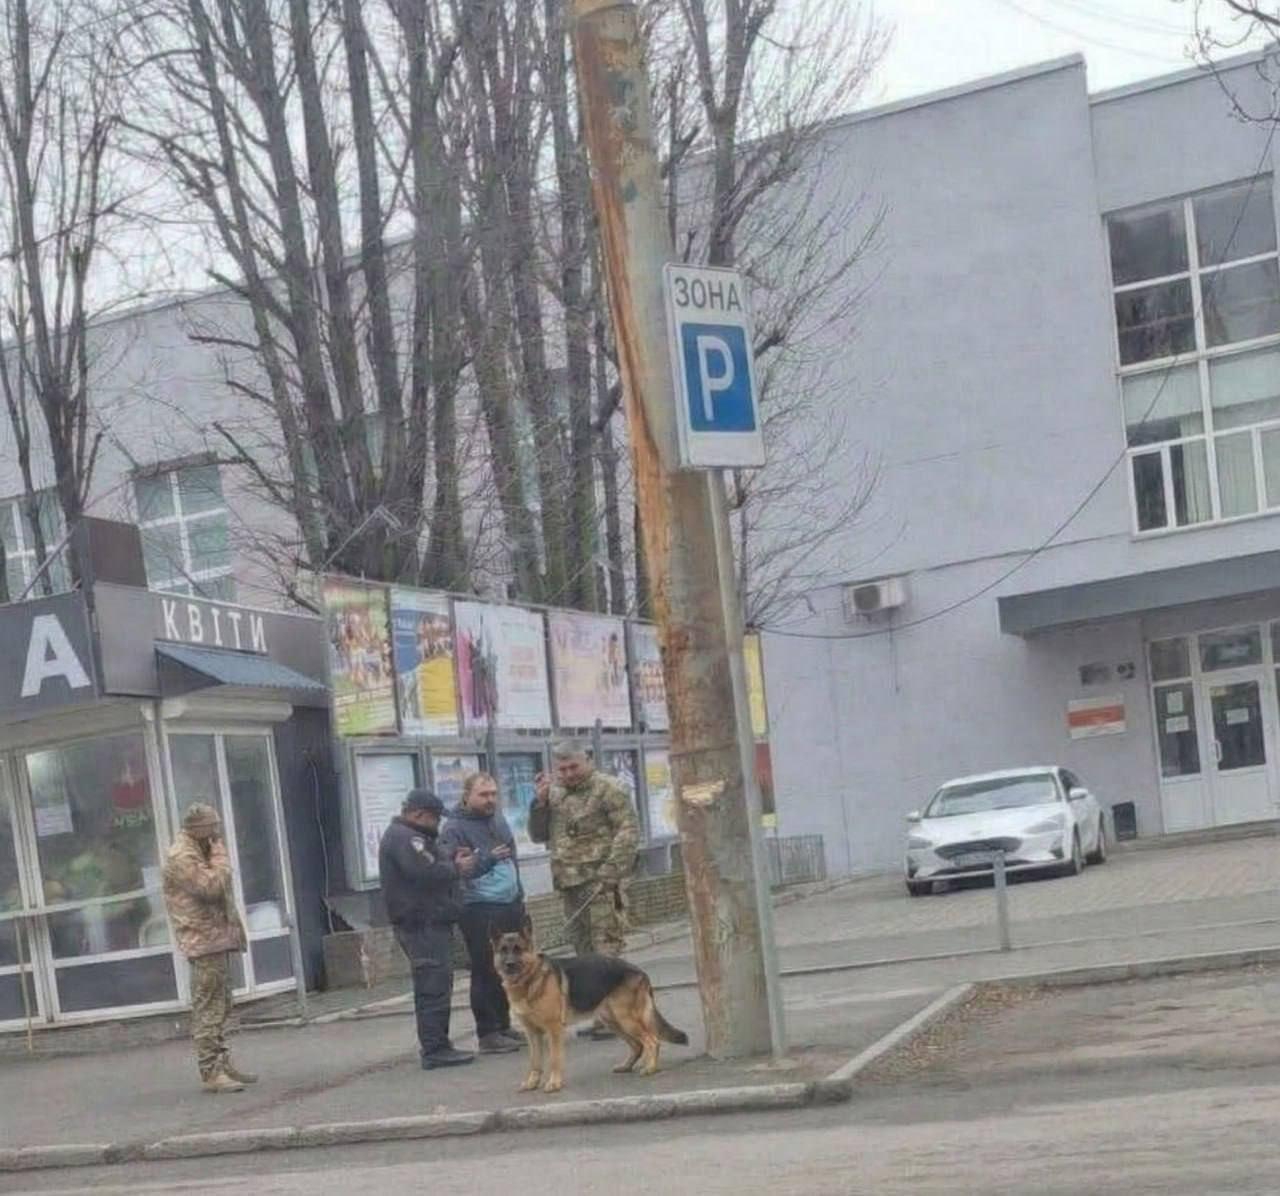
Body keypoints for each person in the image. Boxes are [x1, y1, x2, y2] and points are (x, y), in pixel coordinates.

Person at [379, 789, 477, 1069]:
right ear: (419, 814)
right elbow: (424, 873)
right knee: (432, 987)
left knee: (438, 984)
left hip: (430, 922)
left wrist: (450, 857)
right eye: (435, 819)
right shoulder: (405, 838)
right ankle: (435, 1049)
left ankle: (439, 1045)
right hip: (421, 925)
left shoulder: (413, 837)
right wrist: (456, 868)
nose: (437, 824)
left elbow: (431, 861)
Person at [162, 802, 255, 1095]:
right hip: (202, 940)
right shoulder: (182, 855)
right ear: (199, 828)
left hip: (215, 936)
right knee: (209, 1007)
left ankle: (222, 1061)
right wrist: (220, 857)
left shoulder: (200, 849)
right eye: (213, 828)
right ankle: (211, 1071)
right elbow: (210, 887)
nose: (217, 833)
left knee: (222, 1003)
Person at [529, 741, 640, 958]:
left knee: (606, 952)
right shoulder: (554, 793)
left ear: (588, 761)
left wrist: (611, 872)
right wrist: (540, 804)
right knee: (583, 954)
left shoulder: (609, 788)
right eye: (562, 770)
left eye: (574, 767)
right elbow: (538, 836)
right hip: (569, 884)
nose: (569, 774)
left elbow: (628, 832)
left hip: (600, 884)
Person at [440, 773, 525, 1056]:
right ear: (467, 796)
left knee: (508, 967)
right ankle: (488, 1032)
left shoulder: (497, 819)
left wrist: (519, 893)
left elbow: (511, 858)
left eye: (493, 794)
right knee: (485, 968)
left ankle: (504, 1025)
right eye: (483, 795)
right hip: (479, 907)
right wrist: (486, 859)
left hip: (509, 902)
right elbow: (456, 870)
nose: (490, 800)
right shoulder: (454, 828)